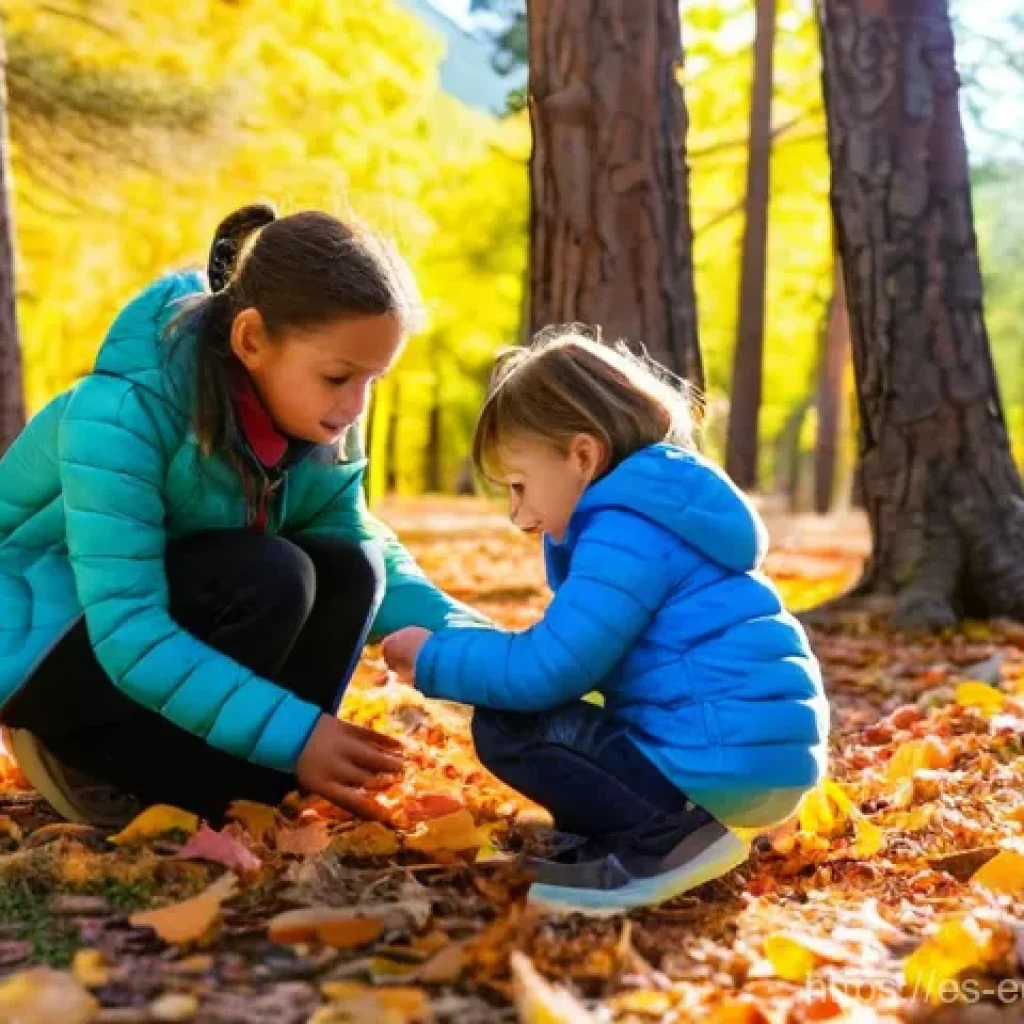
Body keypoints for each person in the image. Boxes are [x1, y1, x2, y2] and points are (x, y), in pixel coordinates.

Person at [0, 204, 485, 828]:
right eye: (338, 376)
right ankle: (83, 760)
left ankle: (232, 789)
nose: (355, 405)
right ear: (251, 340)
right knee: (273, 573)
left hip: (152, 641)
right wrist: (298, 733)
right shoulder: (120, 414)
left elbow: (363, 549)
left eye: (373, 380)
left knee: (352, 566)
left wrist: (502, 658)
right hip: (53, 645)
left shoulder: (322, 425)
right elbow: (127, 628)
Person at [383, 329, 830, 913]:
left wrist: (434, 658)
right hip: (756, 758)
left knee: (510, 725)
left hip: (720, 760)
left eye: (520, 486)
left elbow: (551, 670)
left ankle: (664, 841)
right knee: (553, 717)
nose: (521, 514)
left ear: (582, 456)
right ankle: (636, 831)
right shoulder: (664, 511)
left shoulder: (627, 532)